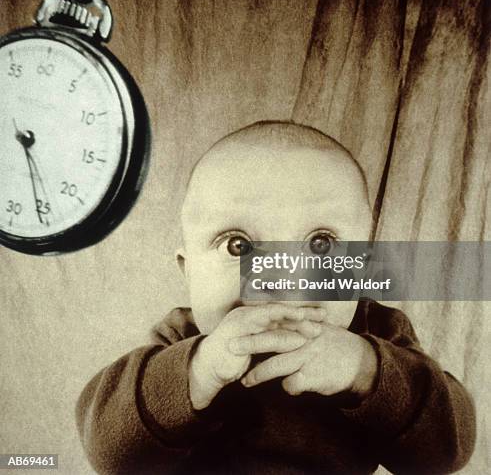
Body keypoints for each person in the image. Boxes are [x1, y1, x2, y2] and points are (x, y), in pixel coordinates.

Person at [76, 120, 476, 474]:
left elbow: (444, 453)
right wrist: (197, 372)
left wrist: (365, 372)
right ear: (189, 272)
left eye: (320, 245)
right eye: (238, 246)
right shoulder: (182, 341)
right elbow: (111, 455)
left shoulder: (378, 335)